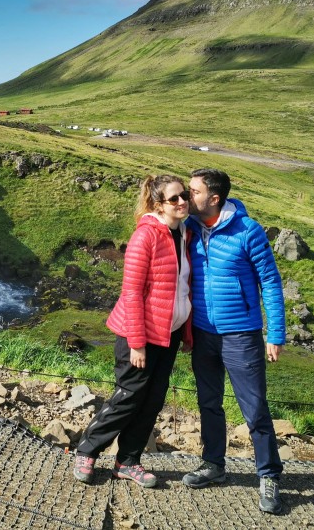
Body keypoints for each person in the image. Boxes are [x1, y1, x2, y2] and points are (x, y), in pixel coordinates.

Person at [74, 174, 193, 488]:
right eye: (174, 199)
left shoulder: (183, 233)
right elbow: (131, 293)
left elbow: (183, 288)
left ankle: (127, 461)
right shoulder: (146, 237)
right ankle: (87, 450)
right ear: (158, 204)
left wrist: (187, 333)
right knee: (128, 397)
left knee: (152, 401)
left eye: (185, 196)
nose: (182, 202)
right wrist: (138, 344)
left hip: (169, 334)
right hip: (138, 335)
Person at [182, 168, 286, 514]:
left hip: (241, 334)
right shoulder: (190, 229)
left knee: (254, 408)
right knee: (209, 402)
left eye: (193, 191)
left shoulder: (248, 231)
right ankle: (214, 465)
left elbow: (270, 281)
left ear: (214, 198)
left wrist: (276, 333)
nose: (186, 195)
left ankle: (269, 475)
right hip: (203, 332)